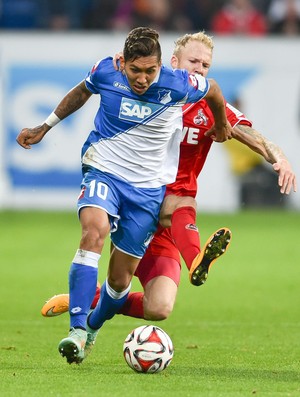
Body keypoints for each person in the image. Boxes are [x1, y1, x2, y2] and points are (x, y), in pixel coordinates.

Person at [41, 31, 297, 352]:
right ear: (173, 63)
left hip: (163, 221)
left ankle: (89, 297)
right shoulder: (157, 85)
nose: (200, 68)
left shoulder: (201, 99)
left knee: (158, 307)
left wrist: (280, 158)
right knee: (176, 202)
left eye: (206, 64)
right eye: (194, 61)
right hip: (144, 197)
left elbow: (249, 132)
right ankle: (195, 261)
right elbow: (118, 71)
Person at [16, 27, 234, 365]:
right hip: (104, 170)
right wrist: (45, 127)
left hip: (147, 192)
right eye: (135, 70)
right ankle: (75, 329)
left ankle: (90, 325)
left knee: (118, 283)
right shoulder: (107, 69)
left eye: (150, 71)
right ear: (123, 63)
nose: (143, 79)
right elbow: (81, 91)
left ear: (162, 66)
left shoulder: (178, 83)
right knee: (93, 232)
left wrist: (221, 125)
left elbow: (216, 91)